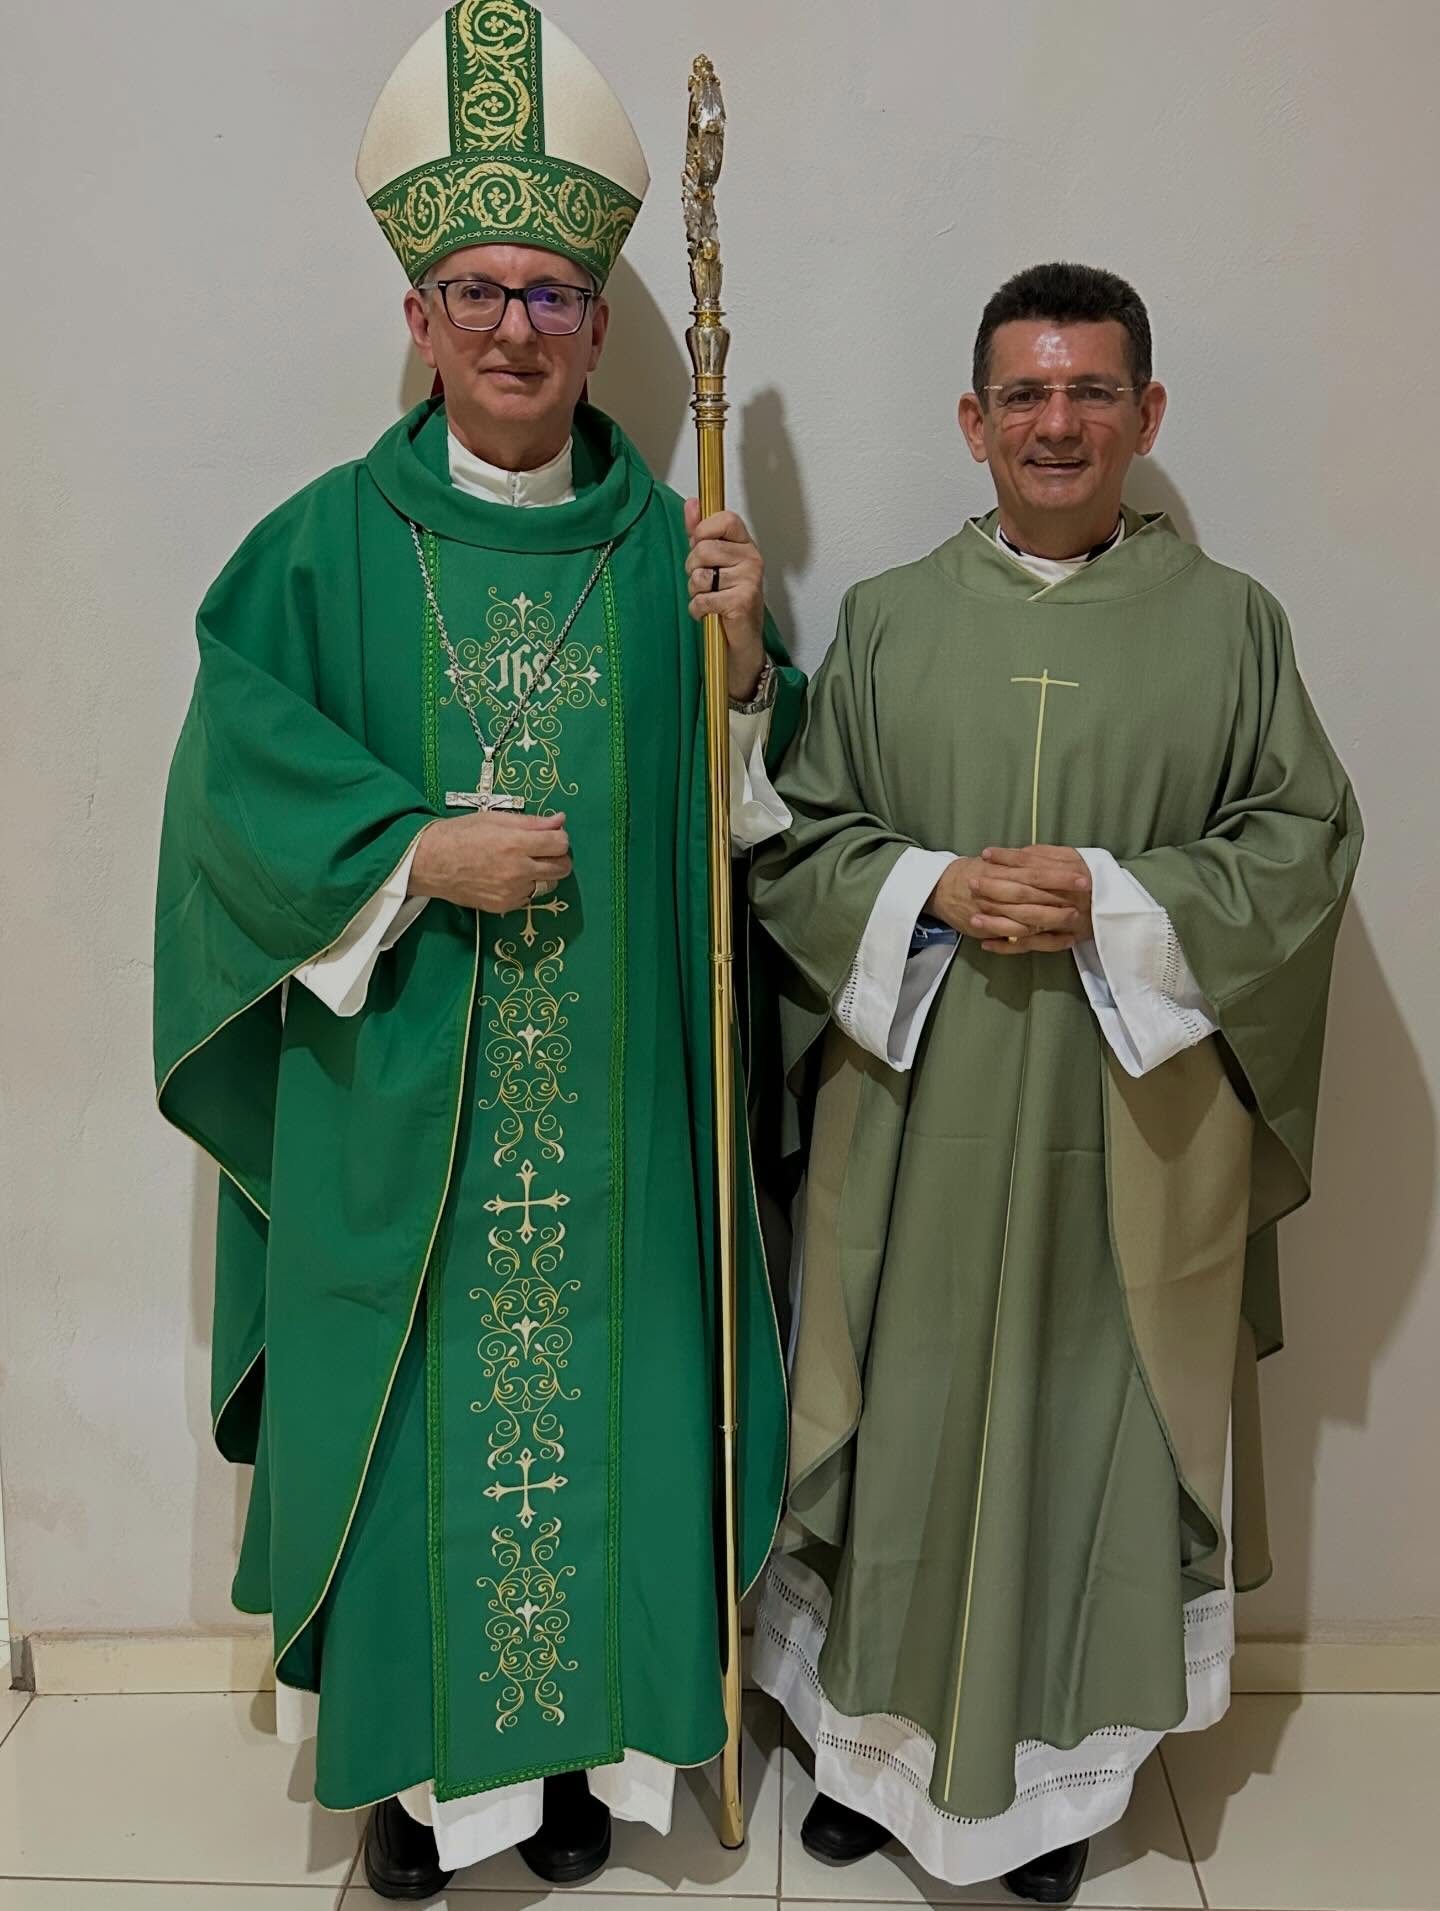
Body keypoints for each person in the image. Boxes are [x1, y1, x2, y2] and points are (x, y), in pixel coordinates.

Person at [152, 3, 803, 1899]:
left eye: (552, 293)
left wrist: (743, 666)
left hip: (624, 1127)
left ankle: (580, 1763)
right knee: (424, 1433)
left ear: (599, 324)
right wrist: (416, 853)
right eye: (478, 292)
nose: (517, 327)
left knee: (613, 1419)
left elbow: (747, 835)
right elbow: (230, 804)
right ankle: (425, 1786)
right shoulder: (316, 552)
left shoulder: (671, 553)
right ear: (419, 318)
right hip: (403, 1115)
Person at [749, 262, 1360, 1902]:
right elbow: (796, 843)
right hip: (919, 1122)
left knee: (1084, 1436)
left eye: (1092, 391)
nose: (1058, 423)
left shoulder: (1232, 625)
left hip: (1131, 1131)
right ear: (975, 422)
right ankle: (868, 1748)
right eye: (1025, 393)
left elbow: (1303, 846)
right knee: (904, 1418)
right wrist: (930, 890)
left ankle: (1052, 1781)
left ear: (1146, 415)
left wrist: (1117, 900)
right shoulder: (890, 619)